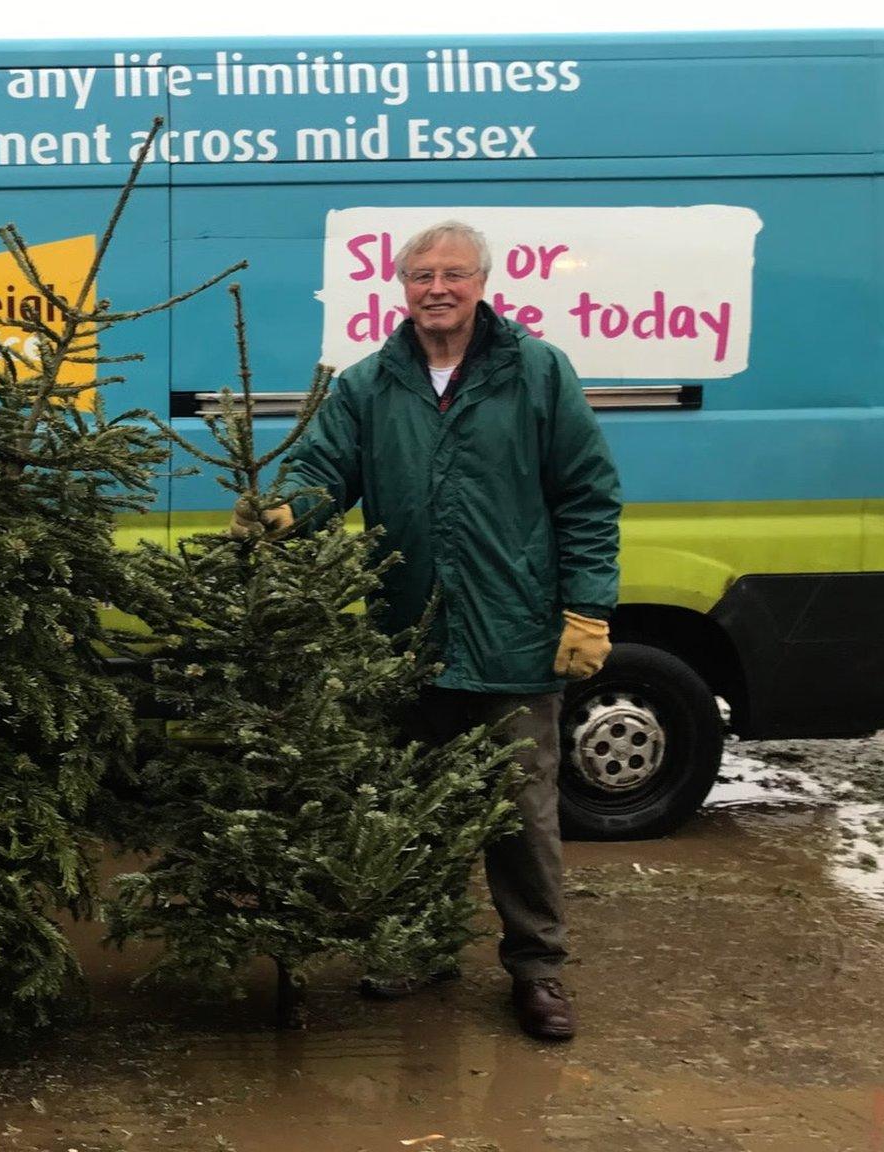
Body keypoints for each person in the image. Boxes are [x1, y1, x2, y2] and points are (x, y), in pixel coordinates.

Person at [240, 220, 621, 1042]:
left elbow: (588, 495)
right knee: (412, 806)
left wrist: (588, 607)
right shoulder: (372, 384)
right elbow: (322, 473)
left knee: (521, 813)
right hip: (406, 636)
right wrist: (284, 510)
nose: (436, 288)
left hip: (514, 635)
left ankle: (538, 970)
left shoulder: (537, 373)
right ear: (401, 286)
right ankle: (419, 946)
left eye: (453, 274)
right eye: (421, 275)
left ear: (483, 282)